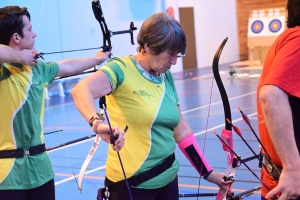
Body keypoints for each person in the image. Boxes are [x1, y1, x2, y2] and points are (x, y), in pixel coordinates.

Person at [71, 12, 227, 200]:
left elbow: (181, 130)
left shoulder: (165, 75)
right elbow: (80, 90)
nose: (174, 61)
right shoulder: (121, 69)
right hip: (131, 185)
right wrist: (97, 123)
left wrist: (208, 173)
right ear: (148, 46)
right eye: (170, 54)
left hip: (168, 179)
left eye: (177, 55)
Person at [0, 6, 111, 200]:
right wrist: (19, 56)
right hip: (8, 175)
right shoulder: (3, 71)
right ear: (16, 37)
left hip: (41, 171)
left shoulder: (38, 69)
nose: (34, 34)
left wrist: (98, 59)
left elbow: (67, 66)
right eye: (30, 29)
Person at [257, 0, 300, 199]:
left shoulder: (287, 39)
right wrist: (293, 169)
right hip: (291, 184)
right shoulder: (298, 39)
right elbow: (271, 96)